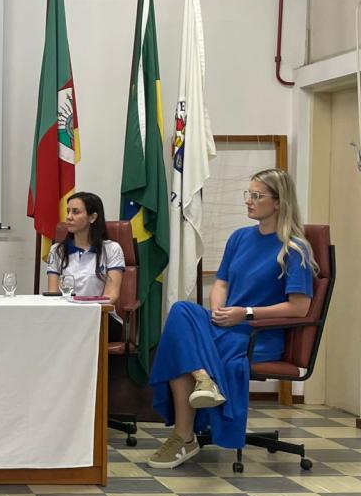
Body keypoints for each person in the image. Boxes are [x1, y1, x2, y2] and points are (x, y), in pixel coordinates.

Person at [147, 169, 315, 469]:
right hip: (226, 324)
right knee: (183, 311)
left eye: (257, 196)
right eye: (248, 194)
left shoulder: (294, 249)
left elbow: (299, 308)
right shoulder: (239, 237)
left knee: (179, 346)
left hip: (255, 335)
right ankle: (203, 379)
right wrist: (219, 310)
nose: (248, 201)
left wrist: (244, 312)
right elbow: (221, 283)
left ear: (278, 203)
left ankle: (183, 436)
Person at [45, 192, 126, 340]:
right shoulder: (57, 250)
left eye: (75, 212)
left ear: (93, 217)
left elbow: (111, 295)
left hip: (101, 317)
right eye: (68, 211)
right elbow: (53, 294)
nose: (68, 217)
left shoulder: (112, 249)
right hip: (66, 317)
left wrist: (84, 310)